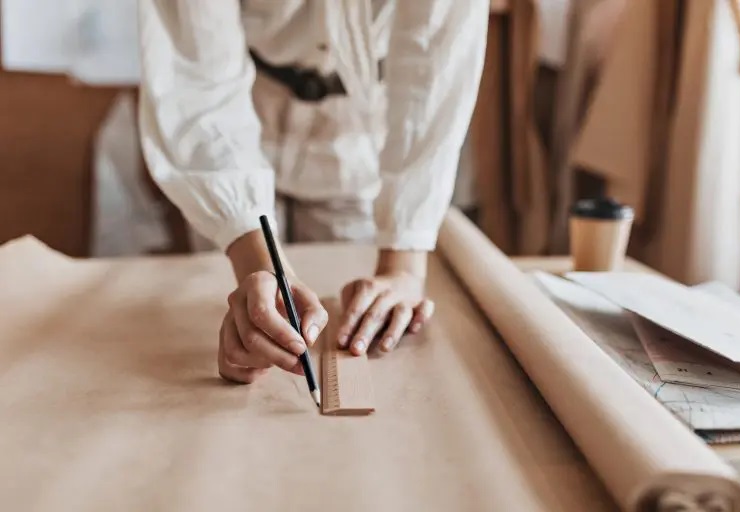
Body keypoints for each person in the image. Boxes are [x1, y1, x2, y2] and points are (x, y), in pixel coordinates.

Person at [137, 0, 488, 384]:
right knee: (242, 318)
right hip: (238, 121)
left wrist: (402, 267)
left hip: (361, 136)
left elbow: (434, 61)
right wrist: (254, 258)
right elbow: (196, 78)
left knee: (355, 327)